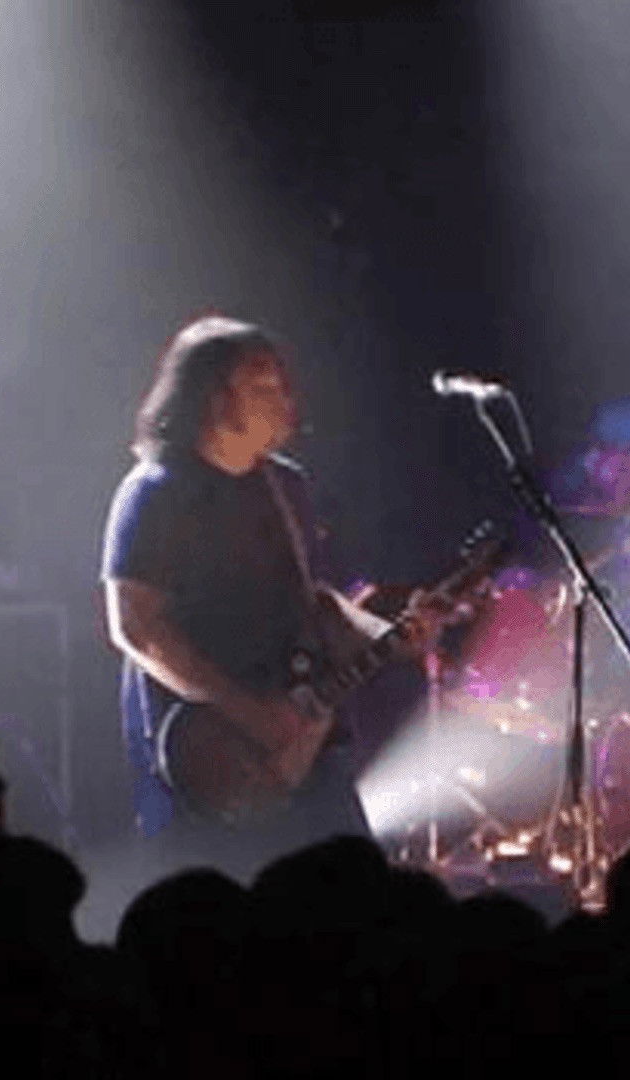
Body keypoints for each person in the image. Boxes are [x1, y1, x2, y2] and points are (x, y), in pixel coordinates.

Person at [101, 315, 446, 874]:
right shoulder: (156, 490)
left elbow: (313, 602)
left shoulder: (286, 485)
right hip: (208, 759)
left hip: (302, 740)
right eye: (263, 385)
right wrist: (249, 713)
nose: (285, 399)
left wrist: (385, 635)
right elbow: (137, 628)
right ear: (215, 398)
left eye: (283, 383)